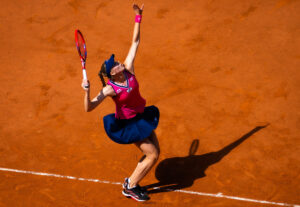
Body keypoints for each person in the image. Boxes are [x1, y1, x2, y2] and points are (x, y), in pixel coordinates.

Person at [81, 4, 160, 202]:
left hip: (141, 116)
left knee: (155, 152)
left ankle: (131, 182)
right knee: (152, 155)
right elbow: (89, 108)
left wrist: (138, 17)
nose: (119, 63)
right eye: (115, 64)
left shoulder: (128, 69)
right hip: (128, 124)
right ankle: (131, 186)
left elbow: (135, 42)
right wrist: (87, 90)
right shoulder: (110, 89)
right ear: (112, 73)